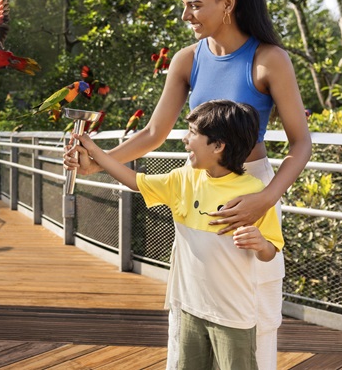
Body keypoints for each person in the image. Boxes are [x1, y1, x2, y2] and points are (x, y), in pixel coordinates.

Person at [64, 0, 312, 369]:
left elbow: (300, 144)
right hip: (199, 189)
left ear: (228, 4)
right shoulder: (187, 59)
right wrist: (96, 160)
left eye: (195, 5)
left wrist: (265, 198)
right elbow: (153, 133)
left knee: (249, 314)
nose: (186, 15)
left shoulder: (269, 59)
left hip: (250, 192)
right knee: (194, 305)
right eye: (185, 4)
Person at [75, 100, 284, 370]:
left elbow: (270, 251)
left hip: (233, 315)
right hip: (190, 308)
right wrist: (94, 152)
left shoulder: (255, 192)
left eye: (193, 133)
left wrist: (260, 243)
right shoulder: (184, 179)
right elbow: (135, 180)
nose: (185, 140)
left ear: (218, 146)